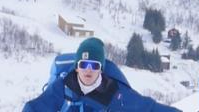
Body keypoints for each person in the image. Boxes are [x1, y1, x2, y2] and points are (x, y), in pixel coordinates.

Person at [23, 38, 180, 112]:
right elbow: (34, 108)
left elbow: (150, 109)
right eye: (83, 64)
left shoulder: (115, 93)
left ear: (101, 69)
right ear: (76, 68)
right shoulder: (63, 87)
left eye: (94, 65)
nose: (88, 70)